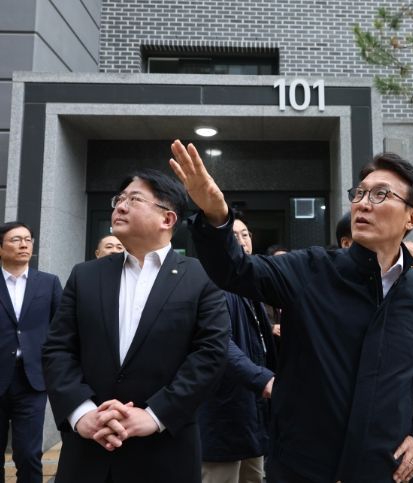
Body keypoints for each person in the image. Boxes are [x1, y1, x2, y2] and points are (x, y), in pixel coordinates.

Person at [170, 140, 413, 483]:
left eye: (380, 195)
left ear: (412, 217)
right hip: (302, 465)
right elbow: (235, 270)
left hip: (384, 467)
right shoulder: (310, 269)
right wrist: (216, 217)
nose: (363, 203)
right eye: (359, 193)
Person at [42, 168, 231, 483]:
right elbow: (58, 349)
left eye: (134, 199)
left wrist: (155, 415)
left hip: (164, 450)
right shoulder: (85, 275)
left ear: (167, 219)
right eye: (119, 199)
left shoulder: (201, 277)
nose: (120, 206)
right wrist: (81, 413)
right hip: (90, 449)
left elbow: (210, 354)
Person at [199, 216, 277, 483]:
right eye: (234, 235)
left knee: (255, 477)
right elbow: (219, 343)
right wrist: (263, 379)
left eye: (246, 234)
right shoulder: (212, 282)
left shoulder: (249, 283)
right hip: (223, 412)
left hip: (252, 413)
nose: (242, 241)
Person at [0, 222, 62, 483]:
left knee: (28, 454)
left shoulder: (48, 283)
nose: (24, 244)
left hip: (32, 379)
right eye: (16, 240)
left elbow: (61, 329)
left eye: (28, 239)